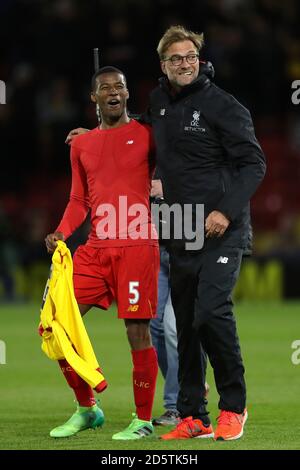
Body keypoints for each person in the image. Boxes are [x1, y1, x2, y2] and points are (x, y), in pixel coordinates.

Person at [145, 25, 266, 441]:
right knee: (188, 325)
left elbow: (254, 164)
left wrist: (225, 212)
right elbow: (142, 135)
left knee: (211, 312)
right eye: (176, 58)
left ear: (199, 60)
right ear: (164, 64)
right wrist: (97, 137)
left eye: (191, 57)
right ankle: (193, 415)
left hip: (220, 229)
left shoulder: (223, 105)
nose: (185, 63)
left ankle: (235, 406)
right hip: (178, 227)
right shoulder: (158, 102)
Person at [45, 66, 160, 440]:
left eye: (120, 87)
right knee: (56, 322)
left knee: (137, 331)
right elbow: (80, 198)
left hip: (136, 245)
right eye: (105, 88)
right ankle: (87, 408)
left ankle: (142, 420)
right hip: (95, 248)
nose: (113, 92)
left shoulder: (147, 135)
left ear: (128, 94)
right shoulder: (81, 144)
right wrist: (62, 233)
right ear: (93, 98)